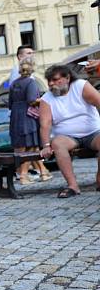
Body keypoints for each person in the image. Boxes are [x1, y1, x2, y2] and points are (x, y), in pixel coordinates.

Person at [38, 64, 100, 197]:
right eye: (49, 81)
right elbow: (45, 124)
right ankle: (73, 186)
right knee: (57, 144)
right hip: (67, 136)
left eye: (55, 80)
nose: (51, 84)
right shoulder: (46, 99)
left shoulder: (81, 86)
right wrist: (46, 145)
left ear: (67, 78)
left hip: (93, 132)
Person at [8, 58, 51, 185]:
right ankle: (24, 176)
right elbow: (32, 100)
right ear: (32, 68)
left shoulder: (14, 83)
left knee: (29, 146)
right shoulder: (31, 82)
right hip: (27, 116)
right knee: (30, 146)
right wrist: (43, 100)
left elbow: (10, 104)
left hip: (16, 116)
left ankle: (43, 172)